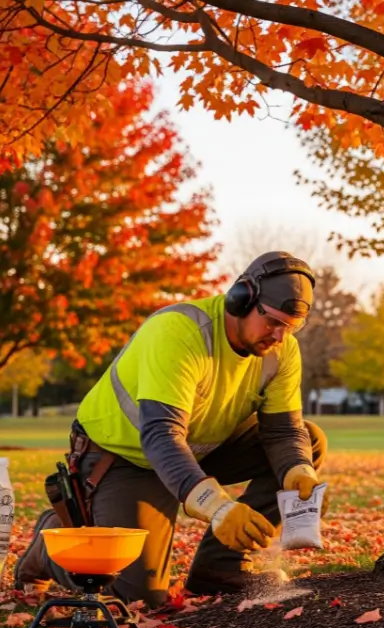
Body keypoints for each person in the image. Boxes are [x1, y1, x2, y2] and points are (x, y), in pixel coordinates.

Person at [13, 251, 328, 607]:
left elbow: (284, 431)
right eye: (272, 321)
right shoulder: (179, 332)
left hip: (196, 447)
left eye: (291, 326)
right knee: (136, 594)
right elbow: (161, 435)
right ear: (241, 298)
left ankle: (220, 568)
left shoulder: (283, 351)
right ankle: (48, 545)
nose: (280, 335)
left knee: (308, 442)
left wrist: (299, 473)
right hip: (125, 457)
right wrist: (218, 508)